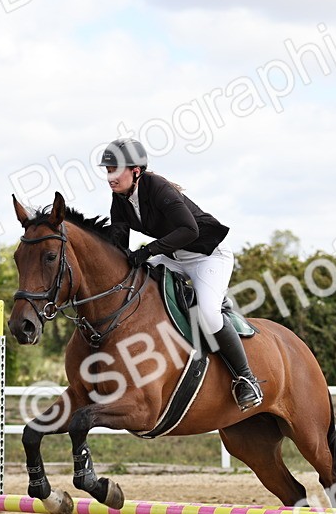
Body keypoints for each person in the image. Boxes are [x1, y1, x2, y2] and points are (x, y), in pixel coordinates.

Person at [100, 137, 263, 410]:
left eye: (115, 170)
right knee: (136, 281)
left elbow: (190, 231)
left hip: (208, 255)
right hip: (174, 257)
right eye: (107, 171)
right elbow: (119, 242)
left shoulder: (158, 188)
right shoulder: (121, 200)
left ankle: (247, 379)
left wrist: (149, 250)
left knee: (209, 316)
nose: (110, 177)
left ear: (136, 171)